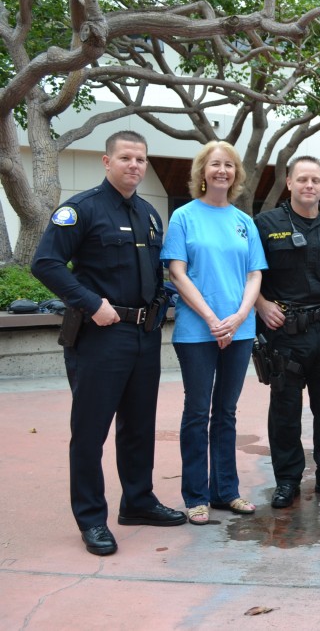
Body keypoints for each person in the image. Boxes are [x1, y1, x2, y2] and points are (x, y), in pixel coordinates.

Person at [32, 130, 186, 556]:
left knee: (138, 427)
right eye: (125, 158)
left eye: (140, 159)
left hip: (143, 333)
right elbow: (44, 262)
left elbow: (155, 272)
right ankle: (91, 519)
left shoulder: (150, 214)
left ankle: (137, 501)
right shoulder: (81, 210)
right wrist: (90, 301)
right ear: (106, 161)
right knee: (90, 431)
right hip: (99, 335)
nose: (134, 165)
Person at [161, 141, 267, 525]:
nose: (221, 171)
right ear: (202, 172)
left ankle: (226, 491)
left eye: (228, 165)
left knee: (226, 412)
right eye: (214, 164)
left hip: (238, 331)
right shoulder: (184, 217)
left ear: (236, 173)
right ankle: (196, 495)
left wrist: (237, 318)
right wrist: (211, 318)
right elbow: (177, 272)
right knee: (197, 412)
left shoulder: (245, 222)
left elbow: (254, 274)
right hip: (197, 331)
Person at [254, 156, 320, 509]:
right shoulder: (265, 224)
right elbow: (247, 271)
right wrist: (260, 303)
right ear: (288, 182)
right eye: (302, 179)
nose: (309, 186)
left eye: (315, 180)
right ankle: (287, 480)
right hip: (284, 333)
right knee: (285, 409)